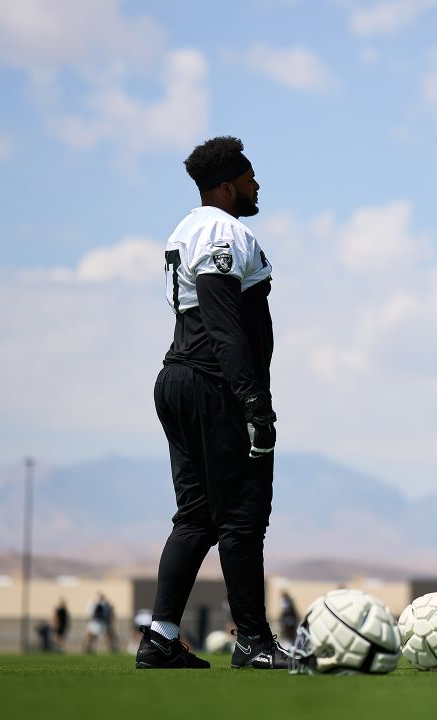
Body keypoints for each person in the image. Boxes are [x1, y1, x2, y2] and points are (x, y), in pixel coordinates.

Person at [133, 136, 286, 671]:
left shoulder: (185, 229)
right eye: (249, 178)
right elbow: (224, 324)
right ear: (226, 187)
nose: (256, 185)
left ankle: (159, 637)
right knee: (242, 516)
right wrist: (253, 402)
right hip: (209, 383)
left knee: (196, 517)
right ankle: (253, 642)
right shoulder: (224, 231)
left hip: (178, 376)